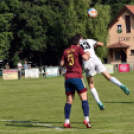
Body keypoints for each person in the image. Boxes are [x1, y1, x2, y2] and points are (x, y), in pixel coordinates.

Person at [76, 33, 130, 110]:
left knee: (91, 84)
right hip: (95, 59)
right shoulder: (89, 40)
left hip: (87, 62)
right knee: (108, 76)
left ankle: (99, 102)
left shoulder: (76, 45)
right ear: (82, 37)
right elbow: (101, 44)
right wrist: (95, 45)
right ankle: (121, 85)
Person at [60, 36, 91, 129]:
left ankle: (66, 122)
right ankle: (86, 119)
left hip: (67, 78)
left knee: (69, 101)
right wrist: (88, 54)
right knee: (84, 98)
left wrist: (68, 64)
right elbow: (85, 58)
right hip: (77, 76)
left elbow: (61, 64)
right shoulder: (78, 49)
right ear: (78, 42)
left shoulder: (65, 51)